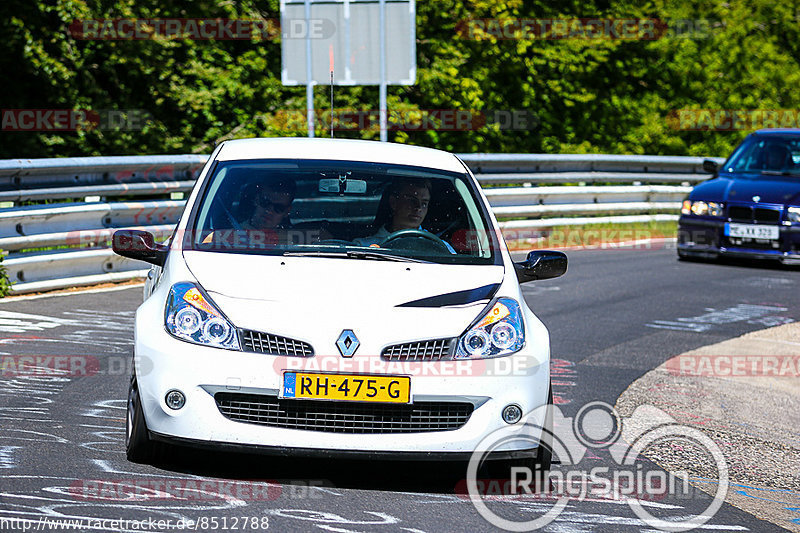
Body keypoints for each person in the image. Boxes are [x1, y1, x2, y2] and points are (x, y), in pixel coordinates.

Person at [354, 178, 456, 253]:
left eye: (424, 203)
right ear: (393, 203)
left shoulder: (441, 248)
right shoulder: (363, 247)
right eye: (412, 201)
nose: (418, 208)